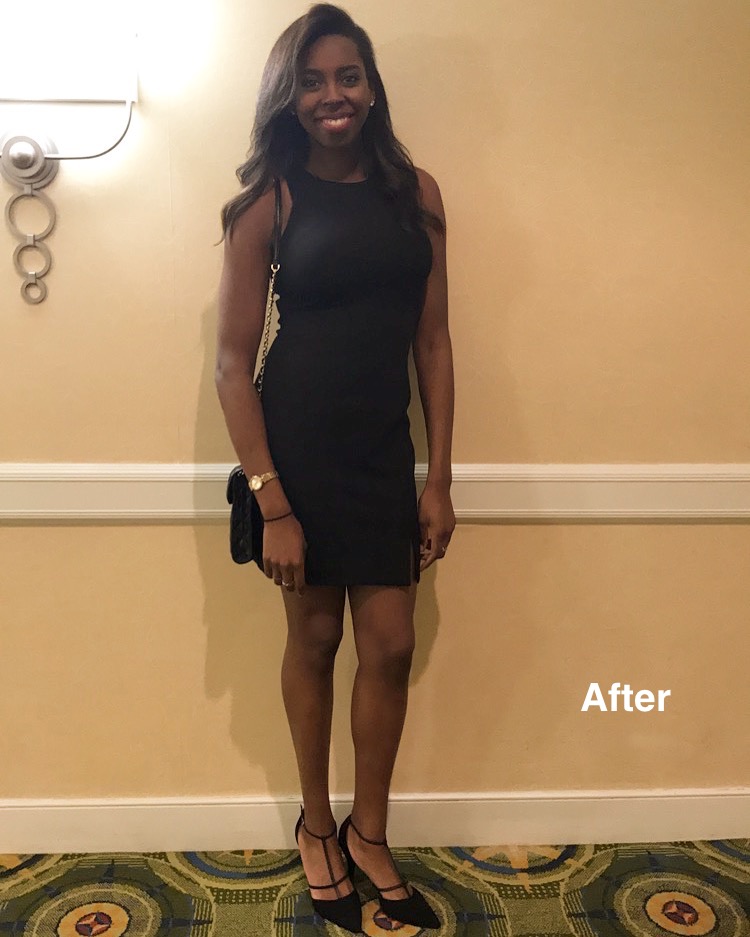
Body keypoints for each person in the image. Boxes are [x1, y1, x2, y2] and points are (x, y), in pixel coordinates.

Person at [215, 4, 454, 931]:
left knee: (389, 644)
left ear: (371, 85)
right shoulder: (267, 202)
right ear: (290, 98)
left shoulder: (418, 193)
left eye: (347, 76)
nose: (332, 96)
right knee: (314, 640)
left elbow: (433, 343)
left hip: (382, 453)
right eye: (311, 82)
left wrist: (438, 479)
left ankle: (370, 832)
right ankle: (317, 827)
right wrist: (272, 501)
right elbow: (232, 365)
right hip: (299, 456)